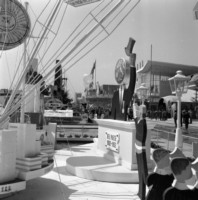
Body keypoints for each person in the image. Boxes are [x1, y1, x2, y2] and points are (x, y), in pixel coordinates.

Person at [133, 99, 148, 200]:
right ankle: (140, 191)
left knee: (144, 171)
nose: (139, 112)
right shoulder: (137, 120)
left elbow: (144, 135)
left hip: (141, 148)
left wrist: (140, 108)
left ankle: (147, 187)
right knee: (139, 170)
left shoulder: (143, 122)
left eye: (141, 111)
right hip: (137, 148)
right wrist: (134, 105)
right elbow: (134, 115)